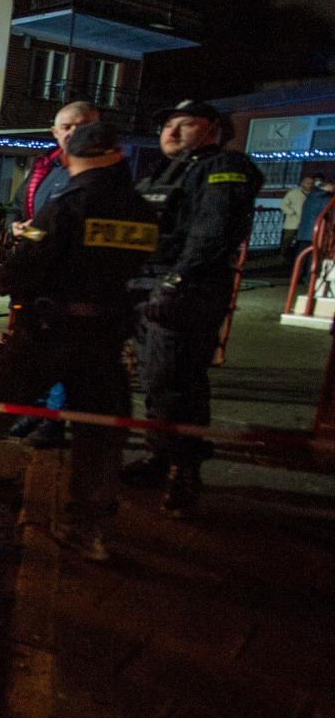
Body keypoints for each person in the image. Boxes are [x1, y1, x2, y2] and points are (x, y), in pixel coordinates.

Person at [0, 122, 158, 561]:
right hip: (106, 335)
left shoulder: (66, 204)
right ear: (117, 156)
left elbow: (31, 259)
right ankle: (89, 525)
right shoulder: (141, 209)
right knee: (100, 430)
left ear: (70, 158)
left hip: (51, 329)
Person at [126, 100, 263, 516]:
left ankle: (184, 471)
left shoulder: (222, 167)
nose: (171, 132)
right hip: (147, 285)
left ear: (212, 130)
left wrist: (175, 282)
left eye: (185, 124)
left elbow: (214, 233)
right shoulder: (163, 172)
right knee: (154, 378)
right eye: (168, 123)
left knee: (178, 381)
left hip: (187, 290)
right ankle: (158, 454)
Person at [7, 100, 101, 448]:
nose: (74, 133)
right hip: (36, 275)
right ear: (55, 132)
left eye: (83, 126)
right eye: (67, 127)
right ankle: (33, 411)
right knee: (32, 348)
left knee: (64, 352)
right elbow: (16, 209)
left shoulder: (102, 172)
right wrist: (15, 227)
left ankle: (53, 420)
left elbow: (68, 232)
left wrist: (31, 234)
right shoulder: (43, 167)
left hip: (73, 280)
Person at [292, 175, 332, 253]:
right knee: (308, 255)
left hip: (307, 232)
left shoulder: (313, 195)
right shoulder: (321, 196)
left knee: (304, 254)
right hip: (313, 233)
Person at [279, 175, 313, 259]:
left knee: (300, 241)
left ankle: (296, 257)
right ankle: (282, 256)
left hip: (306, 223)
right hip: (292, 222)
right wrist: (292, 212)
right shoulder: (293, 193)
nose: (310, 185)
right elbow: (283, 205)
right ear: (302, 183)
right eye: (307, 183)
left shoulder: (313, 194)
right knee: (287, 240)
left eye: (311, 183)